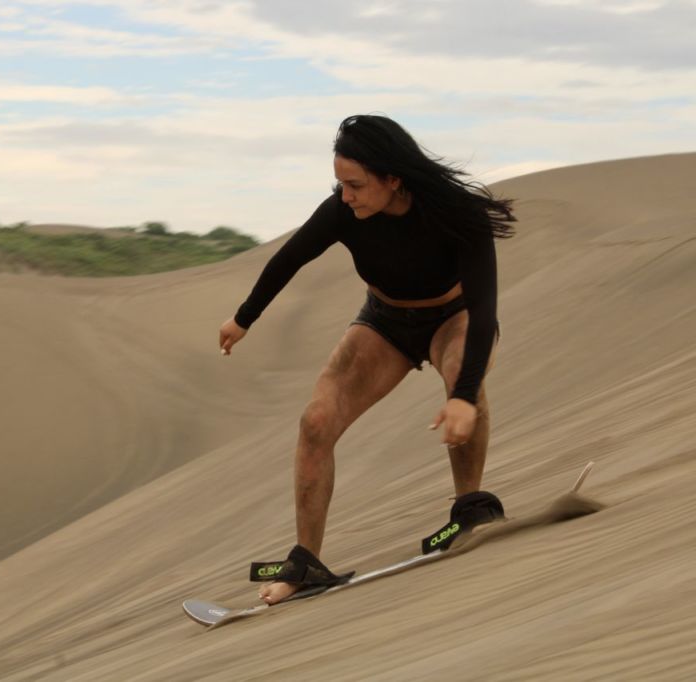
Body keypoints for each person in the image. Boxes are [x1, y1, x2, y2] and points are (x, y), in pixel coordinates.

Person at [218, 114, 516, 605]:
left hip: (455, 316)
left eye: (355, 185)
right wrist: (243, 319)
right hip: (386, 322)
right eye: (339, 184)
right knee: (316, 421)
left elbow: (484, 311)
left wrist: (463, 398)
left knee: (466, 378)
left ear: (392, 178)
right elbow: (289, 258)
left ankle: (469, 508)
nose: (346, 195)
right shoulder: (341, 211)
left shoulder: (458, 213)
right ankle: (307, 561)